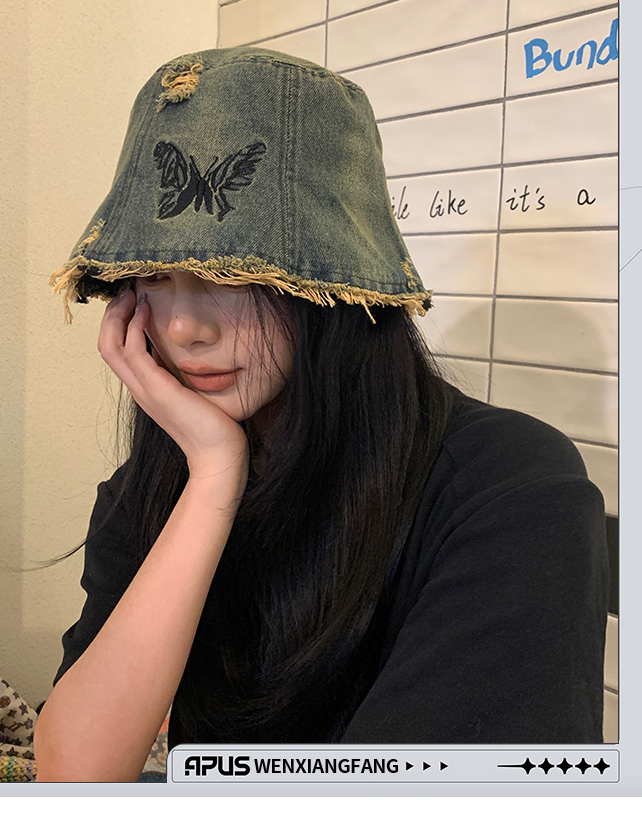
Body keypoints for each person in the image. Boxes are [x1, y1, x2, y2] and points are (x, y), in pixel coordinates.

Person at [34, 47, 609, 783]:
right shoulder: (157, 490)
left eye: (232, 274)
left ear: (340, 286)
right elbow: (74, 778)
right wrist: (214, 476)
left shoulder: (507, 489)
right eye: (152, 274)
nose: (181, 328)